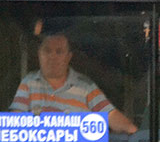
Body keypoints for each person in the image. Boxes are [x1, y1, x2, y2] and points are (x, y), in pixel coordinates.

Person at [10, 32, 138, 134]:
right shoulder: (28, 83)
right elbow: (14, 124)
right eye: (47, 51)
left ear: (68, 57)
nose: (52, 56)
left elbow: (111, 116)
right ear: (39, 54)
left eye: (59, 52)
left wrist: (134, 133)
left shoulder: (86, 87)